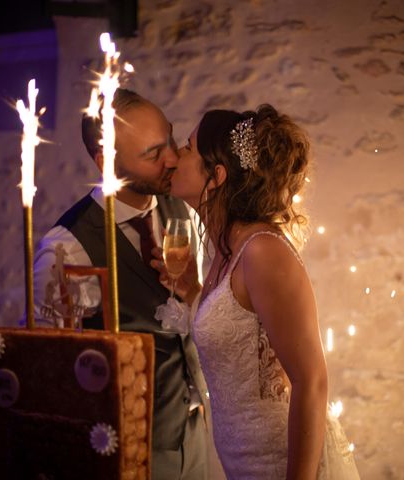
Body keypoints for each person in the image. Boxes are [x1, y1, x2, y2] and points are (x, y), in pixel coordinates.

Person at [164, 105, 360, 479]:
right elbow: (238, 337)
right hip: (243, 466)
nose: (176, 157)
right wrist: (193, 292)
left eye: (188, 149)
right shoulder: (226, 250)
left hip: (282, 463)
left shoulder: (262, 251)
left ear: (216, 176)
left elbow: (312, 381)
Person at [32, 88, 208, 480]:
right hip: (125, 452)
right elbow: (54, 378)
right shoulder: (67, 249)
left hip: (196, 437)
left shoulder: (186, 210)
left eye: (171, 140)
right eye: (152, 154)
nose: (173, 159)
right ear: (106, 162)